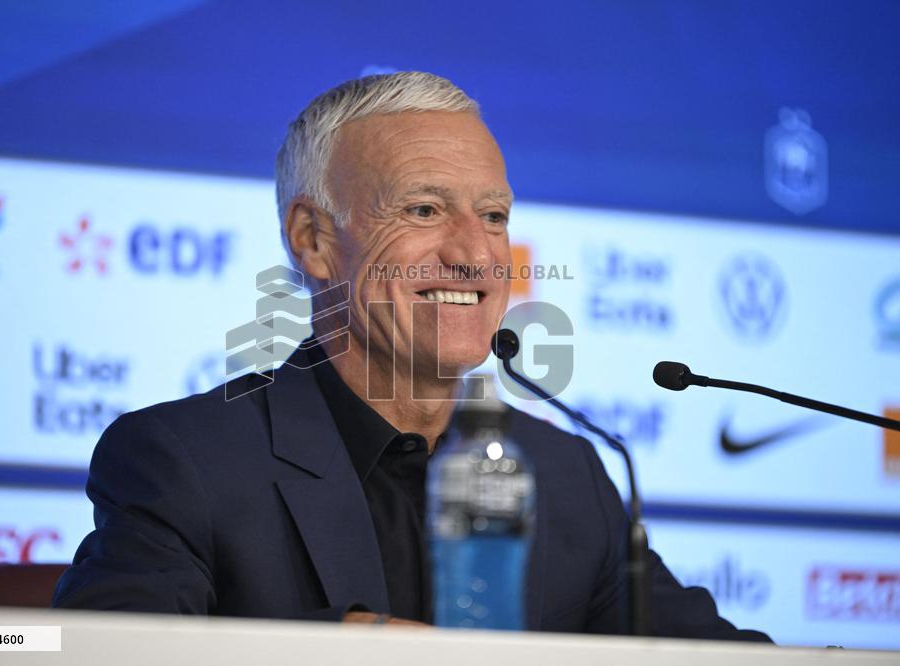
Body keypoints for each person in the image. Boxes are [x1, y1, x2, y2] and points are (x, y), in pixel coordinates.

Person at [53, 71, 770, 640]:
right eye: (423, 210)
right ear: (313, 239)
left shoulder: (568, 477)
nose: (473, 256)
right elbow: (85, 651)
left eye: (493, 217)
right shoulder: (183, 462)